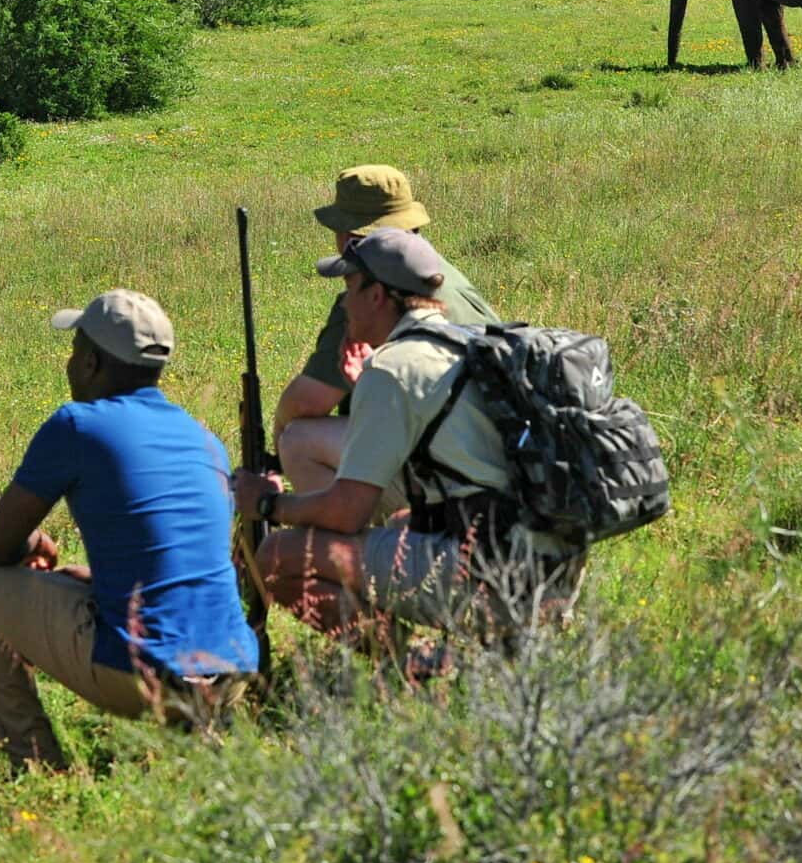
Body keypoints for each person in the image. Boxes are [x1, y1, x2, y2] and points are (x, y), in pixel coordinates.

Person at [0, 290, 258, 769]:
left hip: (142, 675)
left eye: (75, 352)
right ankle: (205, 740)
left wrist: (37, 542)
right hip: (233, 671)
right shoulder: (205, 440)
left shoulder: (77, 425)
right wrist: (95, 582)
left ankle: (34, 764)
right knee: (78, 581)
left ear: (91, 363)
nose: (70, 365)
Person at [233, 231, 582, 647]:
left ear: (377, 295)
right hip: (551, 567)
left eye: (349, 287)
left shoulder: (391, 369)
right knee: (399, 524)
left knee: (277, 556)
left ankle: (415, 665)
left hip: (495, 575)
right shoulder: (467, 343)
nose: (343, 303)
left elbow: (347, 513)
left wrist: (267, 503)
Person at [274, 165, 501, 497]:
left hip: (451, 471)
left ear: (350, 238)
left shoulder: (368, 301)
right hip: (489, 456)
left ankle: (346, 530)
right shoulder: (443, 274)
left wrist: (273, 457)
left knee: (298, 439)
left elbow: (305, 403)